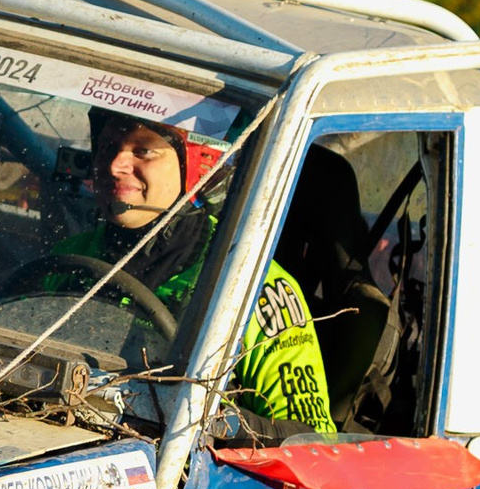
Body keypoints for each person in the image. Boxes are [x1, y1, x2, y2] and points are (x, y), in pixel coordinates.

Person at [52, 115, 335, 433]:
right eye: (107, 147)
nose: (115, 165)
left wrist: (215, 425)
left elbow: (313, 438)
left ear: (199, 163)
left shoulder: (253, 282)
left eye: (143, 151)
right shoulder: (65, 259)